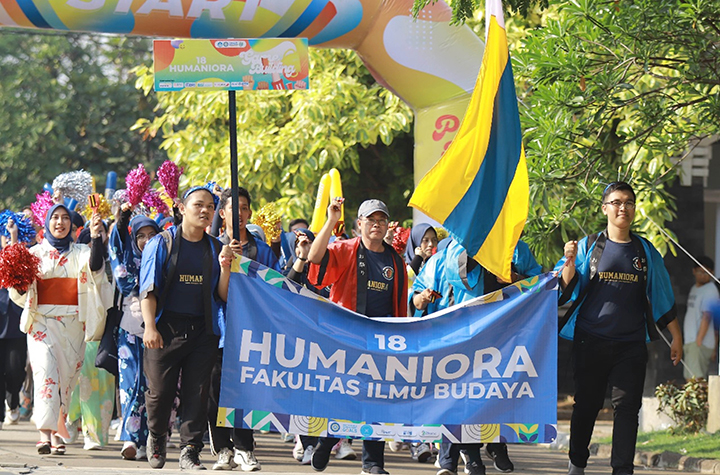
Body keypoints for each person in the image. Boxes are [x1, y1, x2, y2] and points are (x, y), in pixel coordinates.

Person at [557, 181, 683, 475]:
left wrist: (675, 335)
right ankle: (577, 462)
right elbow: (566, 290)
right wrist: (570, 263)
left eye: (628, 202)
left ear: (634, 208)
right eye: (616, 202)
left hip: (631, 344)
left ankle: (622, 469)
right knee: (586, 405)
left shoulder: (645, 251)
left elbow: (661, 294)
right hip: (591, 340)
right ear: (605, 208)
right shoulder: (590, 246)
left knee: (627, 409)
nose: (622, 207)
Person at [412, 239, 542, 475]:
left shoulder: (515, 247)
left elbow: (537, 286)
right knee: (458, 397)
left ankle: (495, 445)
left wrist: (511, 277)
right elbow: (417, 296)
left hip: (501, 338)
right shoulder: (443, 258)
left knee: (490, 396)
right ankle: (462, 457)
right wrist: (422, 298)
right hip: (454, 339)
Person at [307, 198, 407, 475]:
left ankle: (373, 463)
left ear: (387, 225)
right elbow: (315, 259)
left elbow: (399, 306)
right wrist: (330, 220)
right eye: (371, 220)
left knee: (377, 398)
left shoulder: (396, 262)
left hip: (381, 340)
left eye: (382, 220)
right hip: (345, 336)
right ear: (360, 224)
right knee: (343, 395)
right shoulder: (345, 249)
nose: (377, 224)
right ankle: (327, 443)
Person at [139, 185, 233, 470]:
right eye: (198, 205)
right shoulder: (161, 243)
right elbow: (148, 289)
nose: (205, 211)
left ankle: (190, 451)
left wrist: (226, 267)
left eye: (210, 207)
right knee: (159, 395)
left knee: (197, 394)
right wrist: (150, 327)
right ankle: (156, 435)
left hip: (203, 331)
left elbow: (224, 295)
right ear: (182, 208)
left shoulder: (216, 247)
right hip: (164, 329)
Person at [8, 204, 109, 455]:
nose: (60, 222)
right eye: (55, 217)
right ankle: (45, 434)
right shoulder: (35, 253)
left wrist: (96, 236)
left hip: (74, 323)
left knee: (65, 381)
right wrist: (15, 269)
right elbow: (20, 291)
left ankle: (57, 433)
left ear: (72, 225)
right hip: (42, 322)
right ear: (46, 222)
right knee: (46, 375)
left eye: (65, 218)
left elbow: (96, 268)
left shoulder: (82, 251)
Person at [207, 187, 281, 472]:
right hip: (220, 330)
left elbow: (275, 288)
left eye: (244, 207)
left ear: (250, 213)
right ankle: (222, 448)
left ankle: (244, 448)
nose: (239, 213)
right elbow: (216, 293)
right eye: (232, 207)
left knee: (247, 391)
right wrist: (224, 263)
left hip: (252, 331)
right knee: (216, 391)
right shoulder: (211, 246)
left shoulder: (261, 251)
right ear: (221, 213)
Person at [109, 203, 161, 460]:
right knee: (131, 383)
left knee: (156, 386)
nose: (146, 240)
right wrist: (123, 218)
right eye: (140, 235)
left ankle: (152, 438)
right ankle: (130, 438)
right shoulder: (127, 259)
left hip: (161, 327)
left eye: (152, 235)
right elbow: (121, 271)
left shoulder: (164, 257)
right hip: (129, 328)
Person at [682, 256, 719, 381]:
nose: (703, 275)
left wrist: (699, 340)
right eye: (700, 271)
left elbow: (707, 316)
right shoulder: (695, 289)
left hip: (698, 342)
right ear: (694, 271)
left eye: (706, 272)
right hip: (691, 340)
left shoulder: (710, 290)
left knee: (696, 379)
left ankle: (707, 401)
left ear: (712, 273)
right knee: (691, 379)